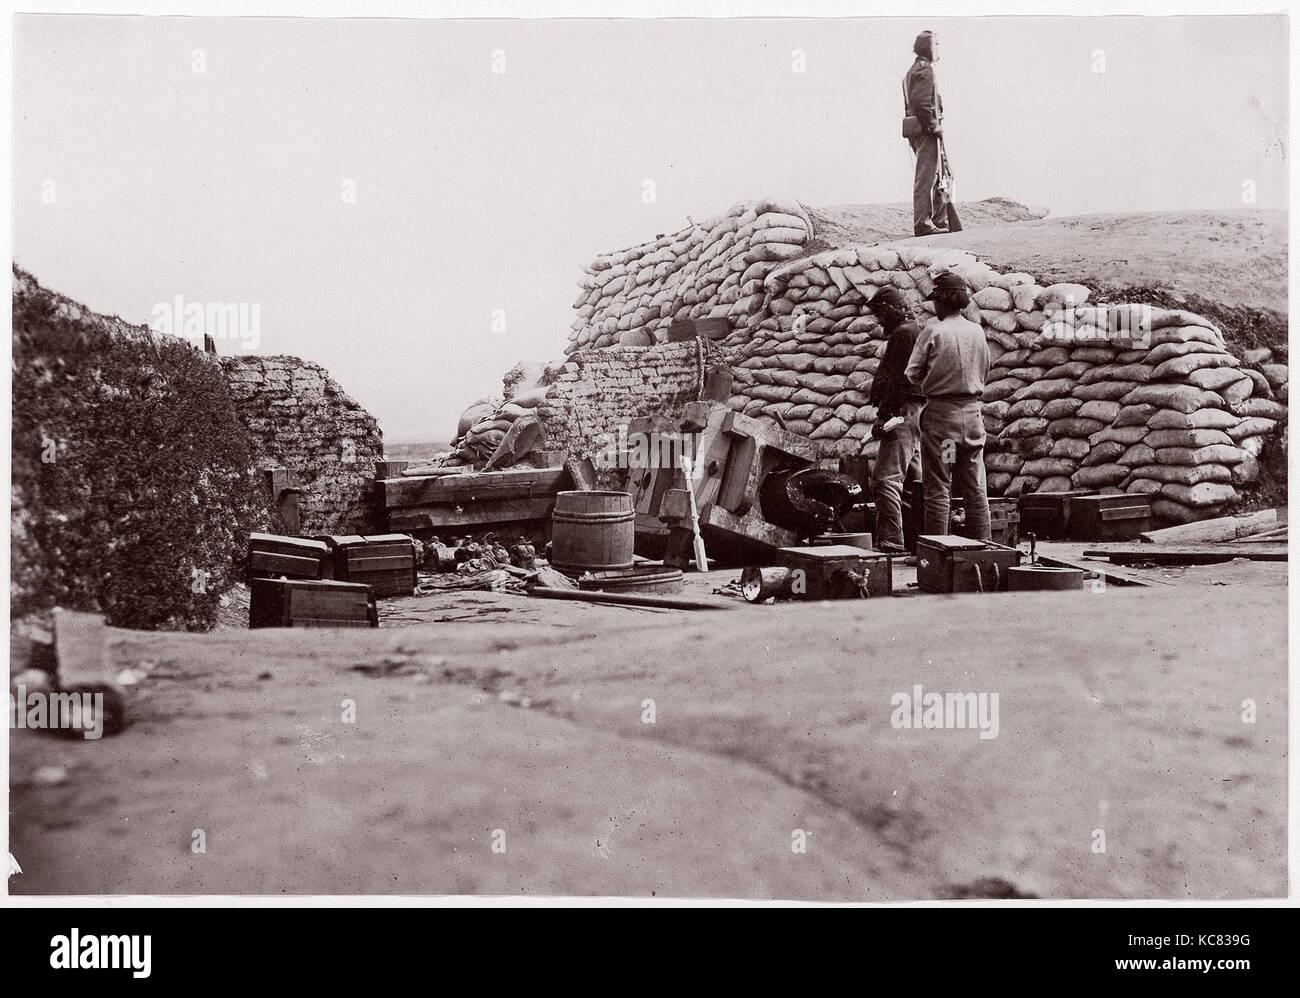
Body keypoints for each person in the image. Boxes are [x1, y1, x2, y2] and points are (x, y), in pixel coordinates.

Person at [905, 271, 991, 539]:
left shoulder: (934, 329)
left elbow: (912, 373)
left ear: (941, 302)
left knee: (940, 485)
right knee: (975, 486)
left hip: (943, 421)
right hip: (972, 417)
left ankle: (939, 549)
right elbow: (986, 368)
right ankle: (985, 547)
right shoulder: (976, 330)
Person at [865, 287, 924, 553]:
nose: (879, 321)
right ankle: (915, 537)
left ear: (892, 309)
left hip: (903, 410)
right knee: (912, 478)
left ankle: (891, 540)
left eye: (880, 313)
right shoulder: (913, 330)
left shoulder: (904, 334)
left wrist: (884, 416)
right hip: (915, 411)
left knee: (884, 478)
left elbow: (897, 380)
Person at [903, 30, 947, 237]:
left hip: (918, 131)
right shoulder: (925, 70)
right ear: (926, 47)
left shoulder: (912, 71)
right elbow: (920, 102)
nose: (938, 48)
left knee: (935, 175)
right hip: (925, 132)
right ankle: (923, 223)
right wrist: (932, 126)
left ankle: (938, 220)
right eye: (935, 44)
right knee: (926, 177)